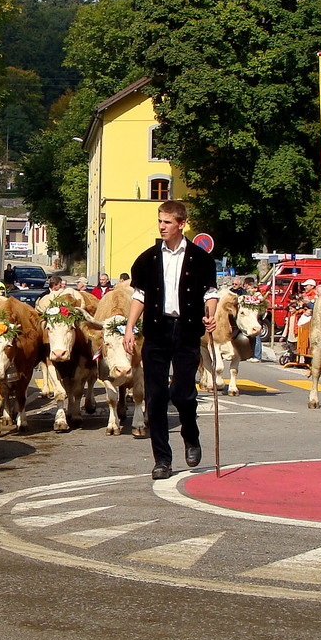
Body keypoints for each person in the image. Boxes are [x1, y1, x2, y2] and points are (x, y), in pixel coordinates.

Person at [123, 200, 218, 480]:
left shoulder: (201, 259)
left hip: (187, 331)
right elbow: (139, 296)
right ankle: (162, 460)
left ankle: (191, 434)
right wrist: (129, 328)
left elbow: (210, 293)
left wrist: (210, 315)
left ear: (181, 224)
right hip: (156, 330)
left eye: (167, 222)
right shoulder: (147, 259)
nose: (162, 226)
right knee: (155, 397)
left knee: (182, 394)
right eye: (160, 221)